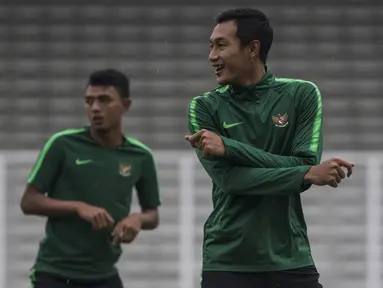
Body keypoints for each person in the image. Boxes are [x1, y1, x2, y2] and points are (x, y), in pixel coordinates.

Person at [185, 8, 354, 288]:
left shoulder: (302, 94)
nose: (212, 56)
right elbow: (230, 180)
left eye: (221, 45)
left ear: (253, 49)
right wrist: (304, 174)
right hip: (228, 260)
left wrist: (229, 147)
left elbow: (305, 161)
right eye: (211, 46)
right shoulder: (203, 106)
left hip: (290, 258)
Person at [20, 69, 161, 288]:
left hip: (104, 276)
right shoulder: (62, 144)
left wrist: (138, 219)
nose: (95, 108)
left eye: (105, 100)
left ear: (126, 105)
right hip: (54, 274)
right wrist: (77, 207)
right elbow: (28, 201)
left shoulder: (141, 156)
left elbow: (152, 214)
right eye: (89, 101)